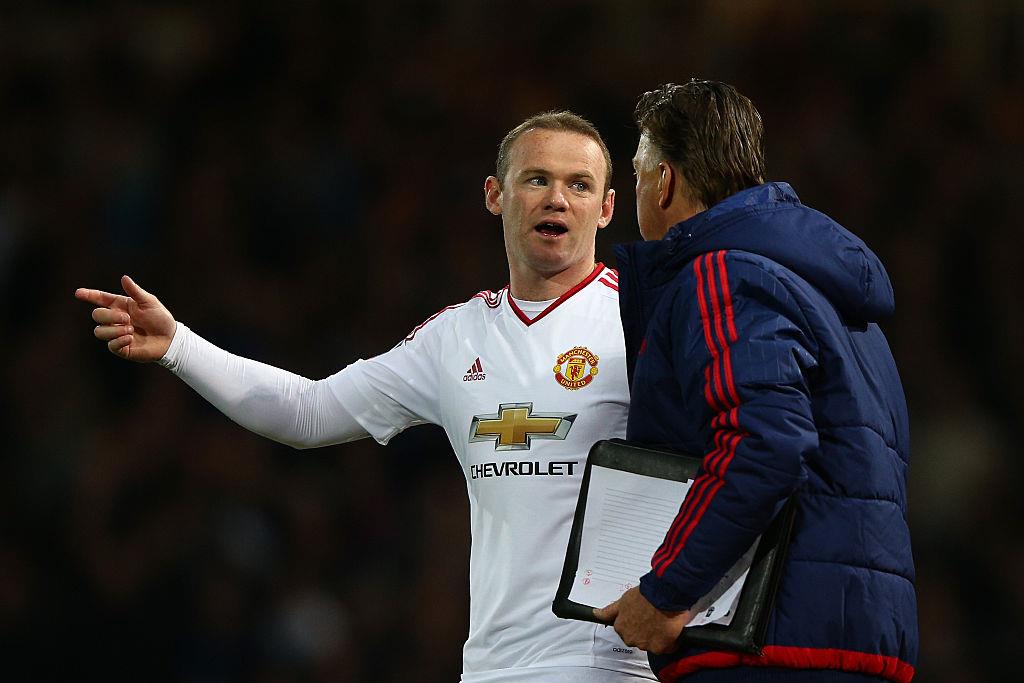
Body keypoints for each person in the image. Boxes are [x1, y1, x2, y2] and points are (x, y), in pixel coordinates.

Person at [76, 111, 659, 682]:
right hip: (491, 666)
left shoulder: (642, 321)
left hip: (608, 662)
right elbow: (308, 413)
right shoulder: (454, 338)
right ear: (494, 195)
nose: (557, 199)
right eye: (536, 179)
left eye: (579, 185)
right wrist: (178, 345)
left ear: (607, 207)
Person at [594, 81, 918, 682]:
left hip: (769, 642)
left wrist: (667, 591)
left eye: (637, 174)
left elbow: (764, 441)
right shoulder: (838, 300)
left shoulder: (723, 275)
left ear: (663, 182)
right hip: (862, 635)